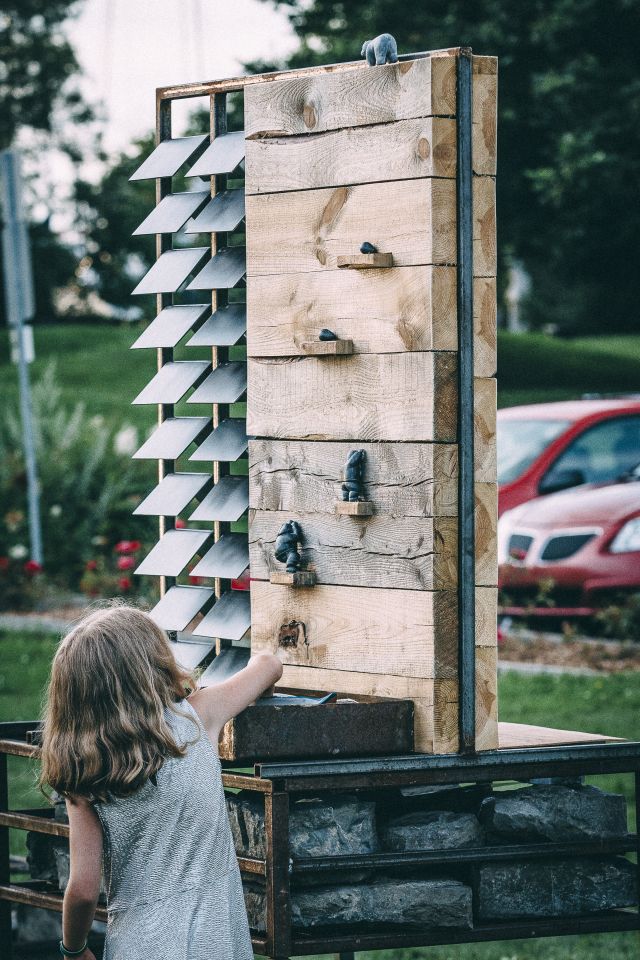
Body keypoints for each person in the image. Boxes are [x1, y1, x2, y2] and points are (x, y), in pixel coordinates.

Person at [38, 603, 283, 960]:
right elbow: (269, 666)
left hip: (136, 945)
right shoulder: (198, 719)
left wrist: (73, 950)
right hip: (214, 942)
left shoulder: (84, 772)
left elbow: (84, 890)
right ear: (155, 663)